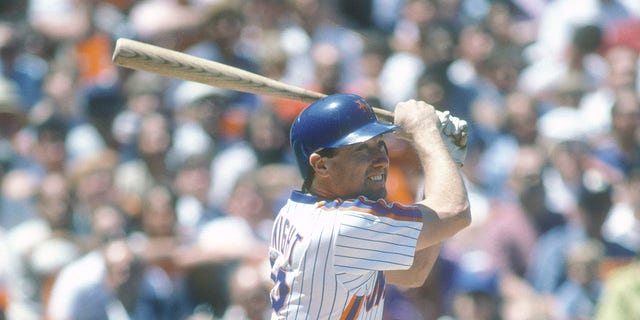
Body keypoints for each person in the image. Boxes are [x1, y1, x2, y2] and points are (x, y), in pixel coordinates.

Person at [269, 93, 471, 319]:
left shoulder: (299, 212)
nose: (382, 160)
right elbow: (456, 211)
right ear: (321, 165)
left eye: (380, 144)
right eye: (362, 149)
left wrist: (445, 156)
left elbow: (415, 270)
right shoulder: (342, 225)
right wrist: (425, 131)